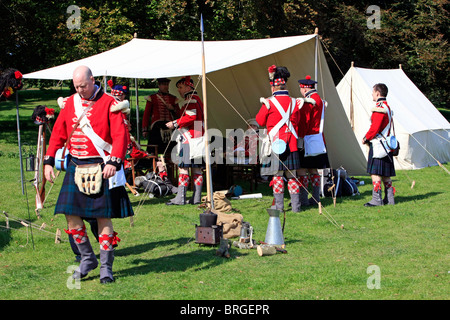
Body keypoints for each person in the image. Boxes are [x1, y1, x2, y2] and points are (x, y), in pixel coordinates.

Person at [44, 66, 134, 284]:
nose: (80, 90)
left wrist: (114, 160)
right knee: (70, 214)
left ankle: (106, 267)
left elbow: (120, 135)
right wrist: (48, 160)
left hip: (101, 166)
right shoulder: (70, 103)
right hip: (75, 165)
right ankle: (87, 258)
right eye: (76, 86)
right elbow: (58, 133)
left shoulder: (111, 103)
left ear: (92, 80)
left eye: (83, 85)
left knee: (103, 217)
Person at [255, 65, 302, 212]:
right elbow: (298, 122)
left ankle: (280, 208)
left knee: (278, 176)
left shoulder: (269, 102)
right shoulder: (295, 102)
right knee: (292, 176)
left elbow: (260, 121)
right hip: (292, 144)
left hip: (276, 144)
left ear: (273, 87)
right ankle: (296, 207)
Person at [165, 76, 205, 206]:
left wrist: (174, 123)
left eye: (181, 87)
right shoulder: (197, 99)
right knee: (197, 169)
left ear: (189, 87)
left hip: (189, 138)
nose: (179, 91)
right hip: (199, 136)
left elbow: (191, 117)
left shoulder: (190, 99)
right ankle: (196, 197)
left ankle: (180, 198)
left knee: (183, 168)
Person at [296, 75, 330, 207]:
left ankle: (303, 199)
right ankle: (316, 198)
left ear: (304, 88)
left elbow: (305, 122)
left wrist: (299, 135)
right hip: (318, 138)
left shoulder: (308, 101)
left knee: (302, 170)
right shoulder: (320, 100)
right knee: (314, 170)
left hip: (307, 139)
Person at [362, 83, 396, 206]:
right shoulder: (387, 106)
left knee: (375, 173)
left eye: (373, 92)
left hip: (378, 145)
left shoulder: (379, 107)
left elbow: (375, 127)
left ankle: (377, 200)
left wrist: (366, 137)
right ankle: (390, 199)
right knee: (386, 174)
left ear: (377, 93)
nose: (372, 94)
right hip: (386, 146)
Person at [142, 78, 180, 154]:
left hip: (169, 126)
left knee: (170, 150)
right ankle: (154, 163)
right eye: (163, 84)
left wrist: (173, 109)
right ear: (159, 85)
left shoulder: (173, 98)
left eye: (167, 84)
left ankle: (169, 164)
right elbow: (146, 114)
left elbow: (179, 114)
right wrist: (145, 129)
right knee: (154, 150)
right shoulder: (152, 98)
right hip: (156, 127)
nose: (165, 87)